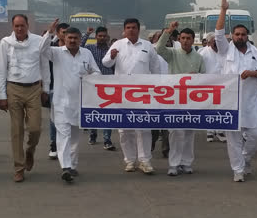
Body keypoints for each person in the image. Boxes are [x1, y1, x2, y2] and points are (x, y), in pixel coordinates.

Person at [214, 0, 257, 182]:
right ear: (233, 36)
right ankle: (238, 170)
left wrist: (252, 73)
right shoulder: (225, 49)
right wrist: (223, 10)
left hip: (251, 101)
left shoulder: (254, 51)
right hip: (231, 101)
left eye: (243, 34)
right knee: (234, 140)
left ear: (247, 36)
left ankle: (246, 158)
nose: (240, 37)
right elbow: (218, 32)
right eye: (237, 34)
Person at [0, 15, 56, 183]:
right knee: (16, 131)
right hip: (13, 88)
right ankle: (19, 167)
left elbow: (45, 65)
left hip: (33, 89)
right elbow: (1, 70)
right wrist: (2, 96)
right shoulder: (5, 43)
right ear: (12, 26)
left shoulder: (38, 41)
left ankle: (30, 151)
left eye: (22, 25)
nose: (19, 29)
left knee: (35, 128)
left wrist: (45, 88)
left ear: (27, 25)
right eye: (16, 26)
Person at [38, 27, 100, 183]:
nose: (72, 40)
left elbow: (97, 72)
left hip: (79, 103)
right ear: (64, 38)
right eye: (69, 38)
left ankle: (72, 165)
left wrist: (88, 76)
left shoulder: (87, 54)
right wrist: (49, 32)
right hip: (60, 102)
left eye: (75, 38)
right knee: (63, 135)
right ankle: (65, 167)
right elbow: (41, 49)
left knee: (74, 137)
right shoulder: (56, 53)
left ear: (80, 39)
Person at [102, 18, 162, 174]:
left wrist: (156, 89)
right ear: (124, 29)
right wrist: (112, 57)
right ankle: (129, 161)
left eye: (133, 27)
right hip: (122, 93)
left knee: (144, 128)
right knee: (124, 129)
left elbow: (156, 69)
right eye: (128, 27)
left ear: (138, 29)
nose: (131, 30)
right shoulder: (117, 45)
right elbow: (105, 63)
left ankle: (145, 161)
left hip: (143, 93)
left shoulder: (147, 46)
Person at [155, 21, 206, 176]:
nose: (185, 41)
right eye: (183, 38)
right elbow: (159, 49)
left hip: (191, 100)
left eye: (188, 38)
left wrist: (196, 77)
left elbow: (205, 77)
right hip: (174, 98)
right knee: (175, 132)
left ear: (193, 40)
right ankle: (173, 164)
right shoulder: (173, 53)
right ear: (179, 39)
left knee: (189, 133)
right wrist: (168, 31)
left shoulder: (199, 57)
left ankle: (186, 163)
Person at [84, 26, 116, 150]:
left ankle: (107, 139)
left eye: (104, 36)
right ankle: (93, 134)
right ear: (96, 36)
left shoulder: (111, 50)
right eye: (100, 36)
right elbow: (79, 46)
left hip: (109, 84)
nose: (102, 38)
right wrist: (87, 34)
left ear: (107, 37)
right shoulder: (90, 49)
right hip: (93, 84)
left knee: (108, 112)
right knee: (94, 110)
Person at [44, 23, 69, 160]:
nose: (66, 35)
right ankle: (54, 144)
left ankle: (66, 146)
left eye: (68, 32)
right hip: (54, 88)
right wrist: (49, 31)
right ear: (58, 33)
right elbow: (41, 49)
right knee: (54, 118)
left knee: (69, 119)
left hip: (71, 90)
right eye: (63, 32)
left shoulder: (76, 49)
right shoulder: (52, 49)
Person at [199, 33, 227, 143]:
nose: (216, 43)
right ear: (209, 42)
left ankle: (220, 131)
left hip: (223, 85)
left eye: (217, 41)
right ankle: (210, 131)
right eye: (214, 41)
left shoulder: (224, 52)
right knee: (210, 108)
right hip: (208, 85)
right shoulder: (203, 52)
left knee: (220, 108)